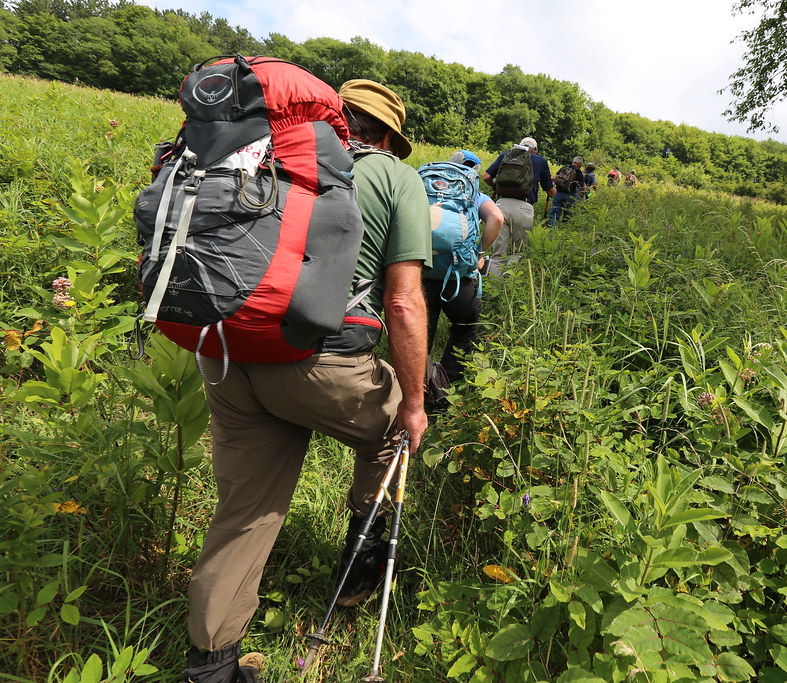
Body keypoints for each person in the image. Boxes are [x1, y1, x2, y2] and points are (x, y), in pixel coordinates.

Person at [182, 79, 432, 683]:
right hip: (320, 365)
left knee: (244, 513)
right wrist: (416, 401)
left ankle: (211, 668)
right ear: (391, 139)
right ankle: (359, 565)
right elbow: (402, 304)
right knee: (395, 427)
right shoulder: (397, 179)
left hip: (230, 357)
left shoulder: (263, 153)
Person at [423, 150, 503, 385]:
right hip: (459, 275)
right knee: (464, 329)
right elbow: (497, 219)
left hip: (421, 272)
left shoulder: (425, 188)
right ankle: (445, 390)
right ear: (474, 172)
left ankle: (416, 387)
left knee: (420, 336)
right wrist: (479, 252)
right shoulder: (475, 193)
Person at [480, 136, 555, 276]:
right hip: (524, 208)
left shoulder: (505, 155)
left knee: (498, 254)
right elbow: (551, 193)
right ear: (535, 150)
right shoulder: (540, 161)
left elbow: (486, 177)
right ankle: (509, 287)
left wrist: (496, 187)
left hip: (500, 206)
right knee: (517, 253)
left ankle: (493, 291)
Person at [549, 156, 586, 225]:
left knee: (554, 212)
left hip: (558, 193)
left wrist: (553, 187)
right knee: (567, 215)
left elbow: (553, 177)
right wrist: (583, 197)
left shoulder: (564, 168)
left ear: (573, 162)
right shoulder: (578, 172)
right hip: (570, 196)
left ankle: (551, 227)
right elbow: (582, 188)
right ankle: (564, 228)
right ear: (580, 165)